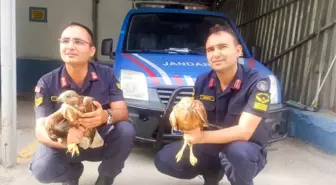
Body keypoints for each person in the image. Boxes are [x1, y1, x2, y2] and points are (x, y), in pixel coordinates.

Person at [154, 24, 271, 185]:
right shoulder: (203, 80)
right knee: (164, 159)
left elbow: (244, 132)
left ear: (238, 51)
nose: (216, 54)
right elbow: (195, 119)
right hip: (212, 144)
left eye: (222, 47)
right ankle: (212, 175)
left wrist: (201, 137)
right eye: (210, 50)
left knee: (237, 153)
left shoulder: (257, 81)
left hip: (246, 147)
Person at [29, 22, 136, 185]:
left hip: (97, 140)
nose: (70, 46)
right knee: (42, 169)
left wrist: (104, 117)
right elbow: (40, 130)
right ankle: (71, 174)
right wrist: (66, 142)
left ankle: (106, 177)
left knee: (126, 130)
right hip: (65, 144)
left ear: (92, 50)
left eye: (78, 42)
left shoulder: (106, 74)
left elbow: (122, 112)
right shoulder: (47, 82)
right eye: (65, 41)